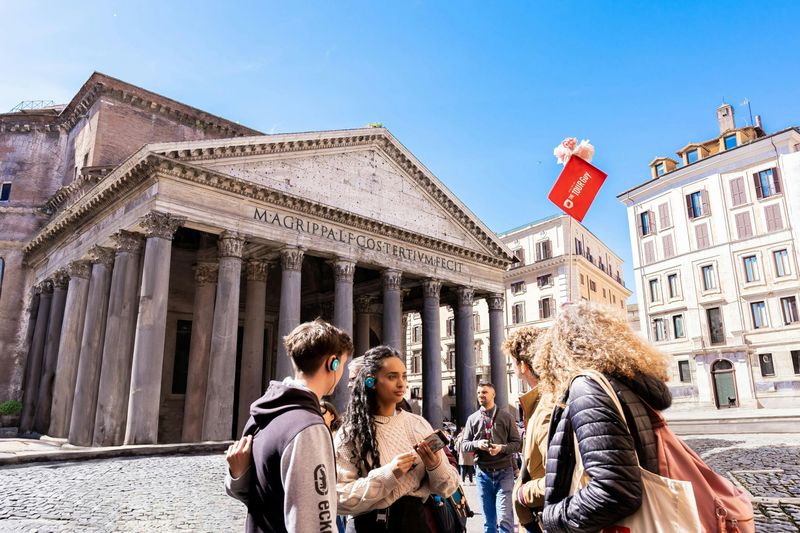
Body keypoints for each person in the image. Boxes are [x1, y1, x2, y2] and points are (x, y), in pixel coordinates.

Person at [533, 301, 672, 532]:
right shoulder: (623, 383)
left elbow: (615, 490)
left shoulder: (588, 386)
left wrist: (552, 518)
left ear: (562, 345)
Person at [224, 319, 352, 532]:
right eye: (342, 365)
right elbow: (314, 522)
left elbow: (255, 493)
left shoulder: (261, 413)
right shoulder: (308, 427)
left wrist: (237, 477)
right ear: (333, 363)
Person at [335, 345, 459, 532]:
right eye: (392, 376)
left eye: (404, 376)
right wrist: (388, 474)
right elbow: (339, 498)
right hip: (369, 526)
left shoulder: (418, 424)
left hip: (416, 523)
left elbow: (448, 488)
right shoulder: (349, 433)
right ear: (370, 382)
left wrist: (435, 466)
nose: (401, 383)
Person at [503, 327, 552, 533]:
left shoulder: (547, 407)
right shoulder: (543, 401)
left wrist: (521, 494)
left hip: (543, 519)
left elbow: (560, 480)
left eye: (512, 362)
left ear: (523, 366)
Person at [461, 382, 521, 533]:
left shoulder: (506, 417)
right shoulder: (472, 419)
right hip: (483, 474)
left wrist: (501, 448)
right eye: (479, 392)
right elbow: (464, 445)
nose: (481, 395)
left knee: (505, 518)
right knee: (488, 522)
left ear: (493, 394)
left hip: (504, 473)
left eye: (485, 392)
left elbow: (517, 444)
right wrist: (477, 444)